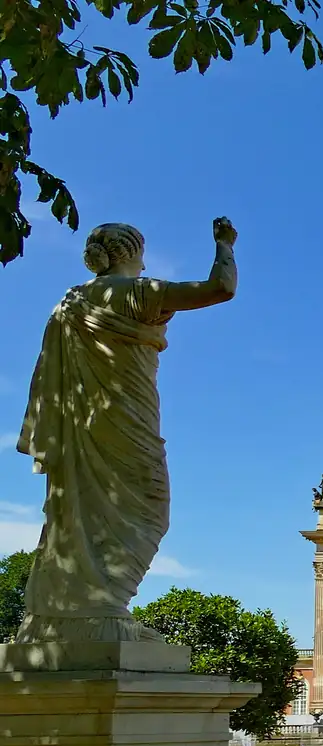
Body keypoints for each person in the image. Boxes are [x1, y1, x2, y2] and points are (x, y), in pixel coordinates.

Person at [14, 218, 238, 643]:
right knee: (151, 506)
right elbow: (220, 288)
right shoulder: (140, 293)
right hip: (129, 421)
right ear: (134, 253)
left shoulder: (68, 306)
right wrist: (225, 245)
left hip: (81, 423)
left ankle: (74, 612)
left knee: (76, 508)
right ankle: (101, 610)